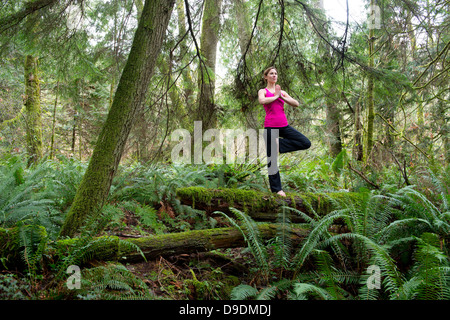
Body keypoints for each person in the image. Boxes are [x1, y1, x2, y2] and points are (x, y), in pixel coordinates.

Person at [258, 66, 311, 197]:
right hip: (270, 127)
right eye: (271, 73)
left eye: (275, 73)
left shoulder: (282, 92)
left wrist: (281, 96)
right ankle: (277, 190)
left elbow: (296, 103)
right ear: (266, 77)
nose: (274, 75)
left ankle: (279, 145)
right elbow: (262, 100)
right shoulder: (263, 91)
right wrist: (275, 96)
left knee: (305, 142)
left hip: (284, 126)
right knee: (272, 160)